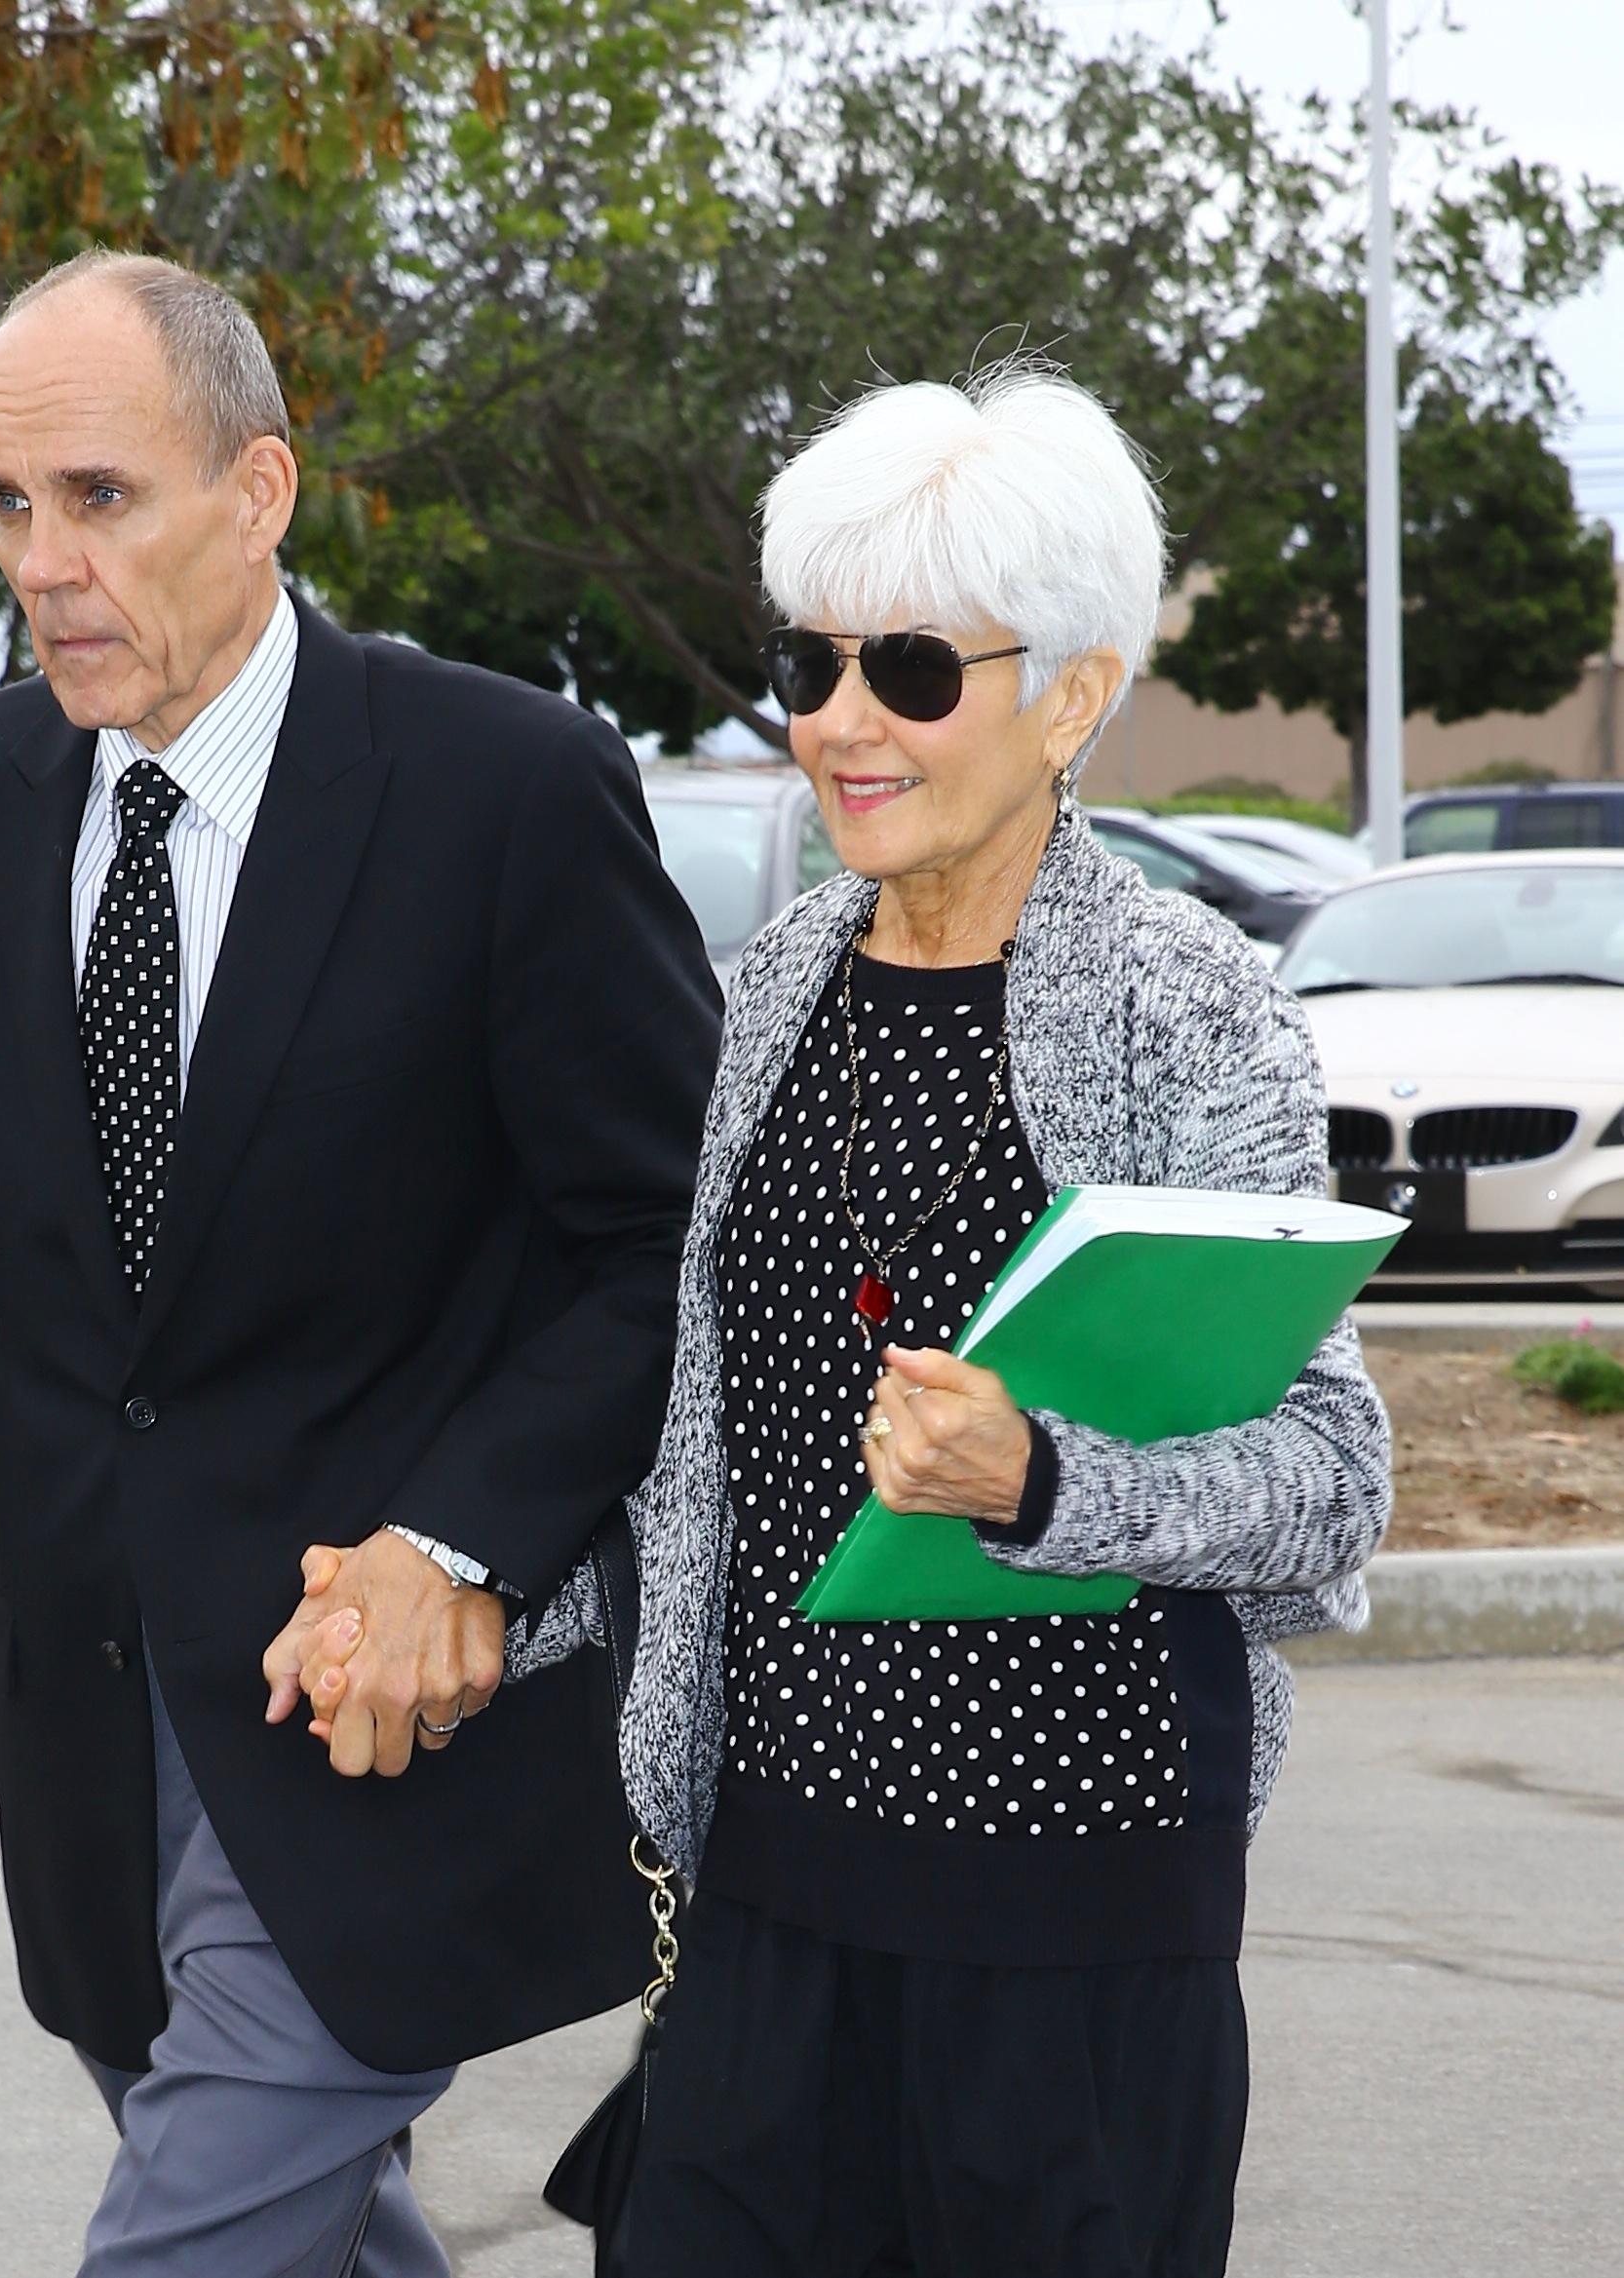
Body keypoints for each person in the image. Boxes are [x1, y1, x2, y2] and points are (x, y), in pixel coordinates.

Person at [0, 251, 722, 2277]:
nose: (44, 563)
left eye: (100, 497)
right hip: (91, 1730)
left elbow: (662, 1246)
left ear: (255, 491)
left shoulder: (501, 788)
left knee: (183, 2246)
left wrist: (458, 1540)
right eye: (9, 508)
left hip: (378, 1710)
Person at [509, 367, 1393, 2276]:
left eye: (908, 668)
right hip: (757, 1913)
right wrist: (466, 1595)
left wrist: (1040, 1473)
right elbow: (692, 1448)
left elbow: (1327, 1484)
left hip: (1070, 1939)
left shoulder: (1187, 1000)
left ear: (1068, 693)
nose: (838, 719)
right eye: (805, 660)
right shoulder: (765, 989)